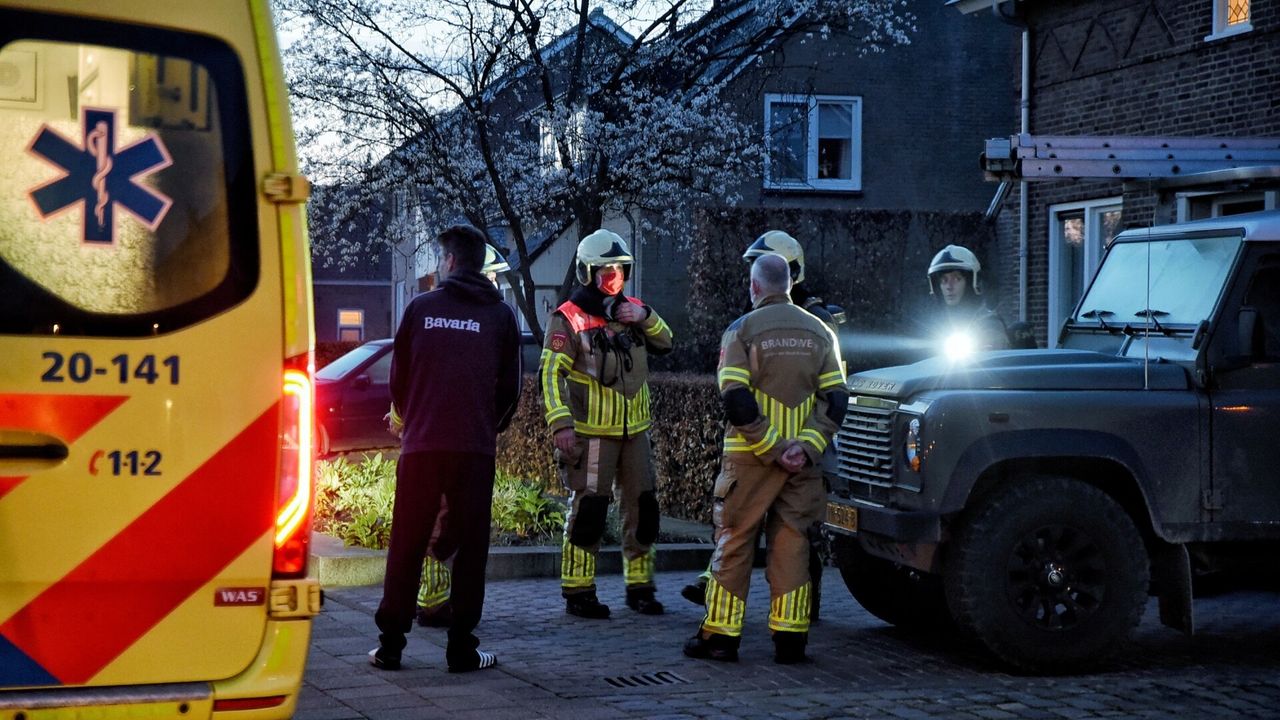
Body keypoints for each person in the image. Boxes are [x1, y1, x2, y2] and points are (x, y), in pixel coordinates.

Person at [370, 225, 521, 673]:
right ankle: (462, 649)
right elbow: (511, 389)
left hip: (421, 449)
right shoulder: (501, 316)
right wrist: (484, 427)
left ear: (450, 262)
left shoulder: (420, 309)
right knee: (472, 550)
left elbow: (399, 380)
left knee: (407, 543)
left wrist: (413, 420)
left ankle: (391, 647)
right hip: (474, 452)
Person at [684, 253, 847, 664]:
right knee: (792, 544)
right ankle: (791, 639)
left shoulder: (741, 331)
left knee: (734, 541)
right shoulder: (822, 332)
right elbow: (837, 399)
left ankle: (719, 637)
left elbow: (735, 398)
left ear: (755, 287)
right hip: (803, 465)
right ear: (789, 285)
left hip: (750, 461)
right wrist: (804, 447)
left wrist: (773, 447)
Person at [539, 228, 673, 619]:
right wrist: (561, 424)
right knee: (589, 512)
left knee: (643, 509)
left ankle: (640, 588)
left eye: (619, 270)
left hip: (636, 432)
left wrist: (646, 317)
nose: (613, 278)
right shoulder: (567, 318)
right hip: (592, 433)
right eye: (605, 271)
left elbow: (667, 342)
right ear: (587, 273)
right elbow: (550, 375)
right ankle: (579, 592)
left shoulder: (634, 310)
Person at [409, 242, 512, 630]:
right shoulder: (481, 316)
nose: (493, 283)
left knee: (450, 521)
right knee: (444, 522)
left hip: (442, 437)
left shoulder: (449, 312)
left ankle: (432, 604)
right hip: (459, 440)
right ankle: (432, 603)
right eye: (490, 275)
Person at [925, 244, 1010, 352]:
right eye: (944, 280)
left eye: (957, 279)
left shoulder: (989, 324)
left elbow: (992, 365)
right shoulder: (936, 327)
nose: (949, 287)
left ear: (971, 283)